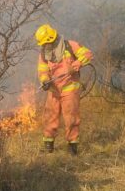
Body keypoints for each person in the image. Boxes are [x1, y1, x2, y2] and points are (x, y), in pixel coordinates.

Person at [35, 24, 93, 155]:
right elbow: (42, 70)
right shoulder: (44, 53)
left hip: (70, 88)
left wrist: (76, 65)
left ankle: (72, 148)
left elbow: (88, 54)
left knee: (71, 118)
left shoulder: (70, 45)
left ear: (51, 39)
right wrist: (44, 81)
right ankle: (48, 146)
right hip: (53, 90)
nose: (43, 46)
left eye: (45, 43)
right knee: (50, 117)